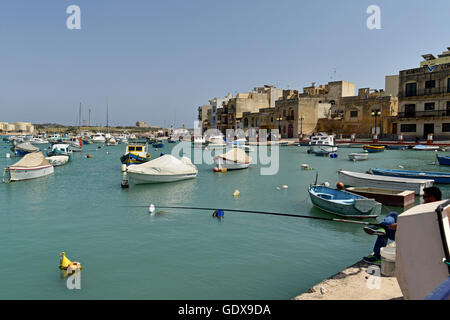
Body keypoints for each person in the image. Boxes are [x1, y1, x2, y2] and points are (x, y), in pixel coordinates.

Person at [363, 186, 442, 265]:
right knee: (393, 214)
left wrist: (388, 226)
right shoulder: (440, 207)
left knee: (385, 230)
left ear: (432, 198)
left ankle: (378, 257)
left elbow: (404, 225)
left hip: (412, 238)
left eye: (424, 197)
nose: (423, 199)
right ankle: (381, 228)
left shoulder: (427, 211)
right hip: (418, 233)